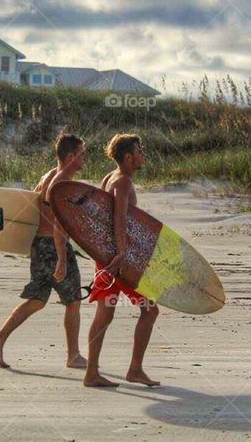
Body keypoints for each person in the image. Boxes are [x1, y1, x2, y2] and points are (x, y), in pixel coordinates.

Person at [0, 134, 88, 370]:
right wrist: (62, 258)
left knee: (37, 300)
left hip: (39, 245)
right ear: (71, 157)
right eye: (82, 154)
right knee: (73, 301)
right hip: (54, 246)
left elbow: (33, 209)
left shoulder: (47, 176)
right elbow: (58, 224)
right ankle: (73, 356)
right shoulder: (63, 183)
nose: (85, 158)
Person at [82, 133, 160, 388]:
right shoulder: (123, 182)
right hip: (120, 259)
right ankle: (135, 370)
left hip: (106, 256)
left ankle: (92, 373)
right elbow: (118, 217)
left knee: (104, 314)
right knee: (150, 309)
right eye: (140, 151)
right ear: (128, 157)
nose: (143, 155)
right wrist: (123, 253)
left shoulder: (108, 177)